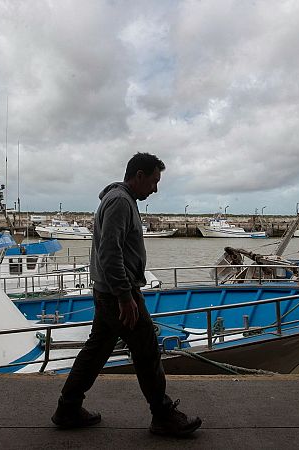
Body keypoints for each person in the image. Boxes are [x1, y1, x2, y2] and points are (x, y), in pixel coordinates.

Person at [51, 152, 202, 437]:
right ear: (139, 176)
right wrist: (124, 296)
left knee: (96, 350)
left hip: (107, 292)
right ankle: (163, 415)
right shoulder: (121, 202)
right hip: (117, 294)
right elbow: (110, 253)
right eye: (154, 181)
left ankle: (68, 407)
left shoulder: (118, 199)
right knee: (146, 351)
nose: (155, 189)